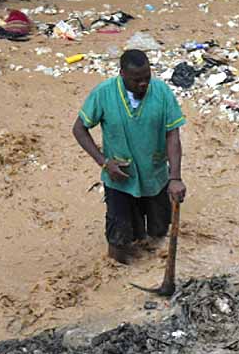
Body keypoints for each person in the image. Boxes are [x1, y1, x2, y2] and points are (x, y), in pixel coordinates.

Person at [72, 50, 187, 265]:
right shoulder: (104, 93)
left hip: (155, 178)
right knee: (119, 241)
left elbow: (173, 135)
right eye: (137, 80)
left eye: (147, 77)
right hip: (120, 181)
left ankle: (151, 271)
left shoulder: (161, 92)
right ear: (122, 74)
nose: (143, 84)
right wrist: (104, 162)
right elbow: (79, 129)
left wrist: (175, 177)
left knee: (158, 233)